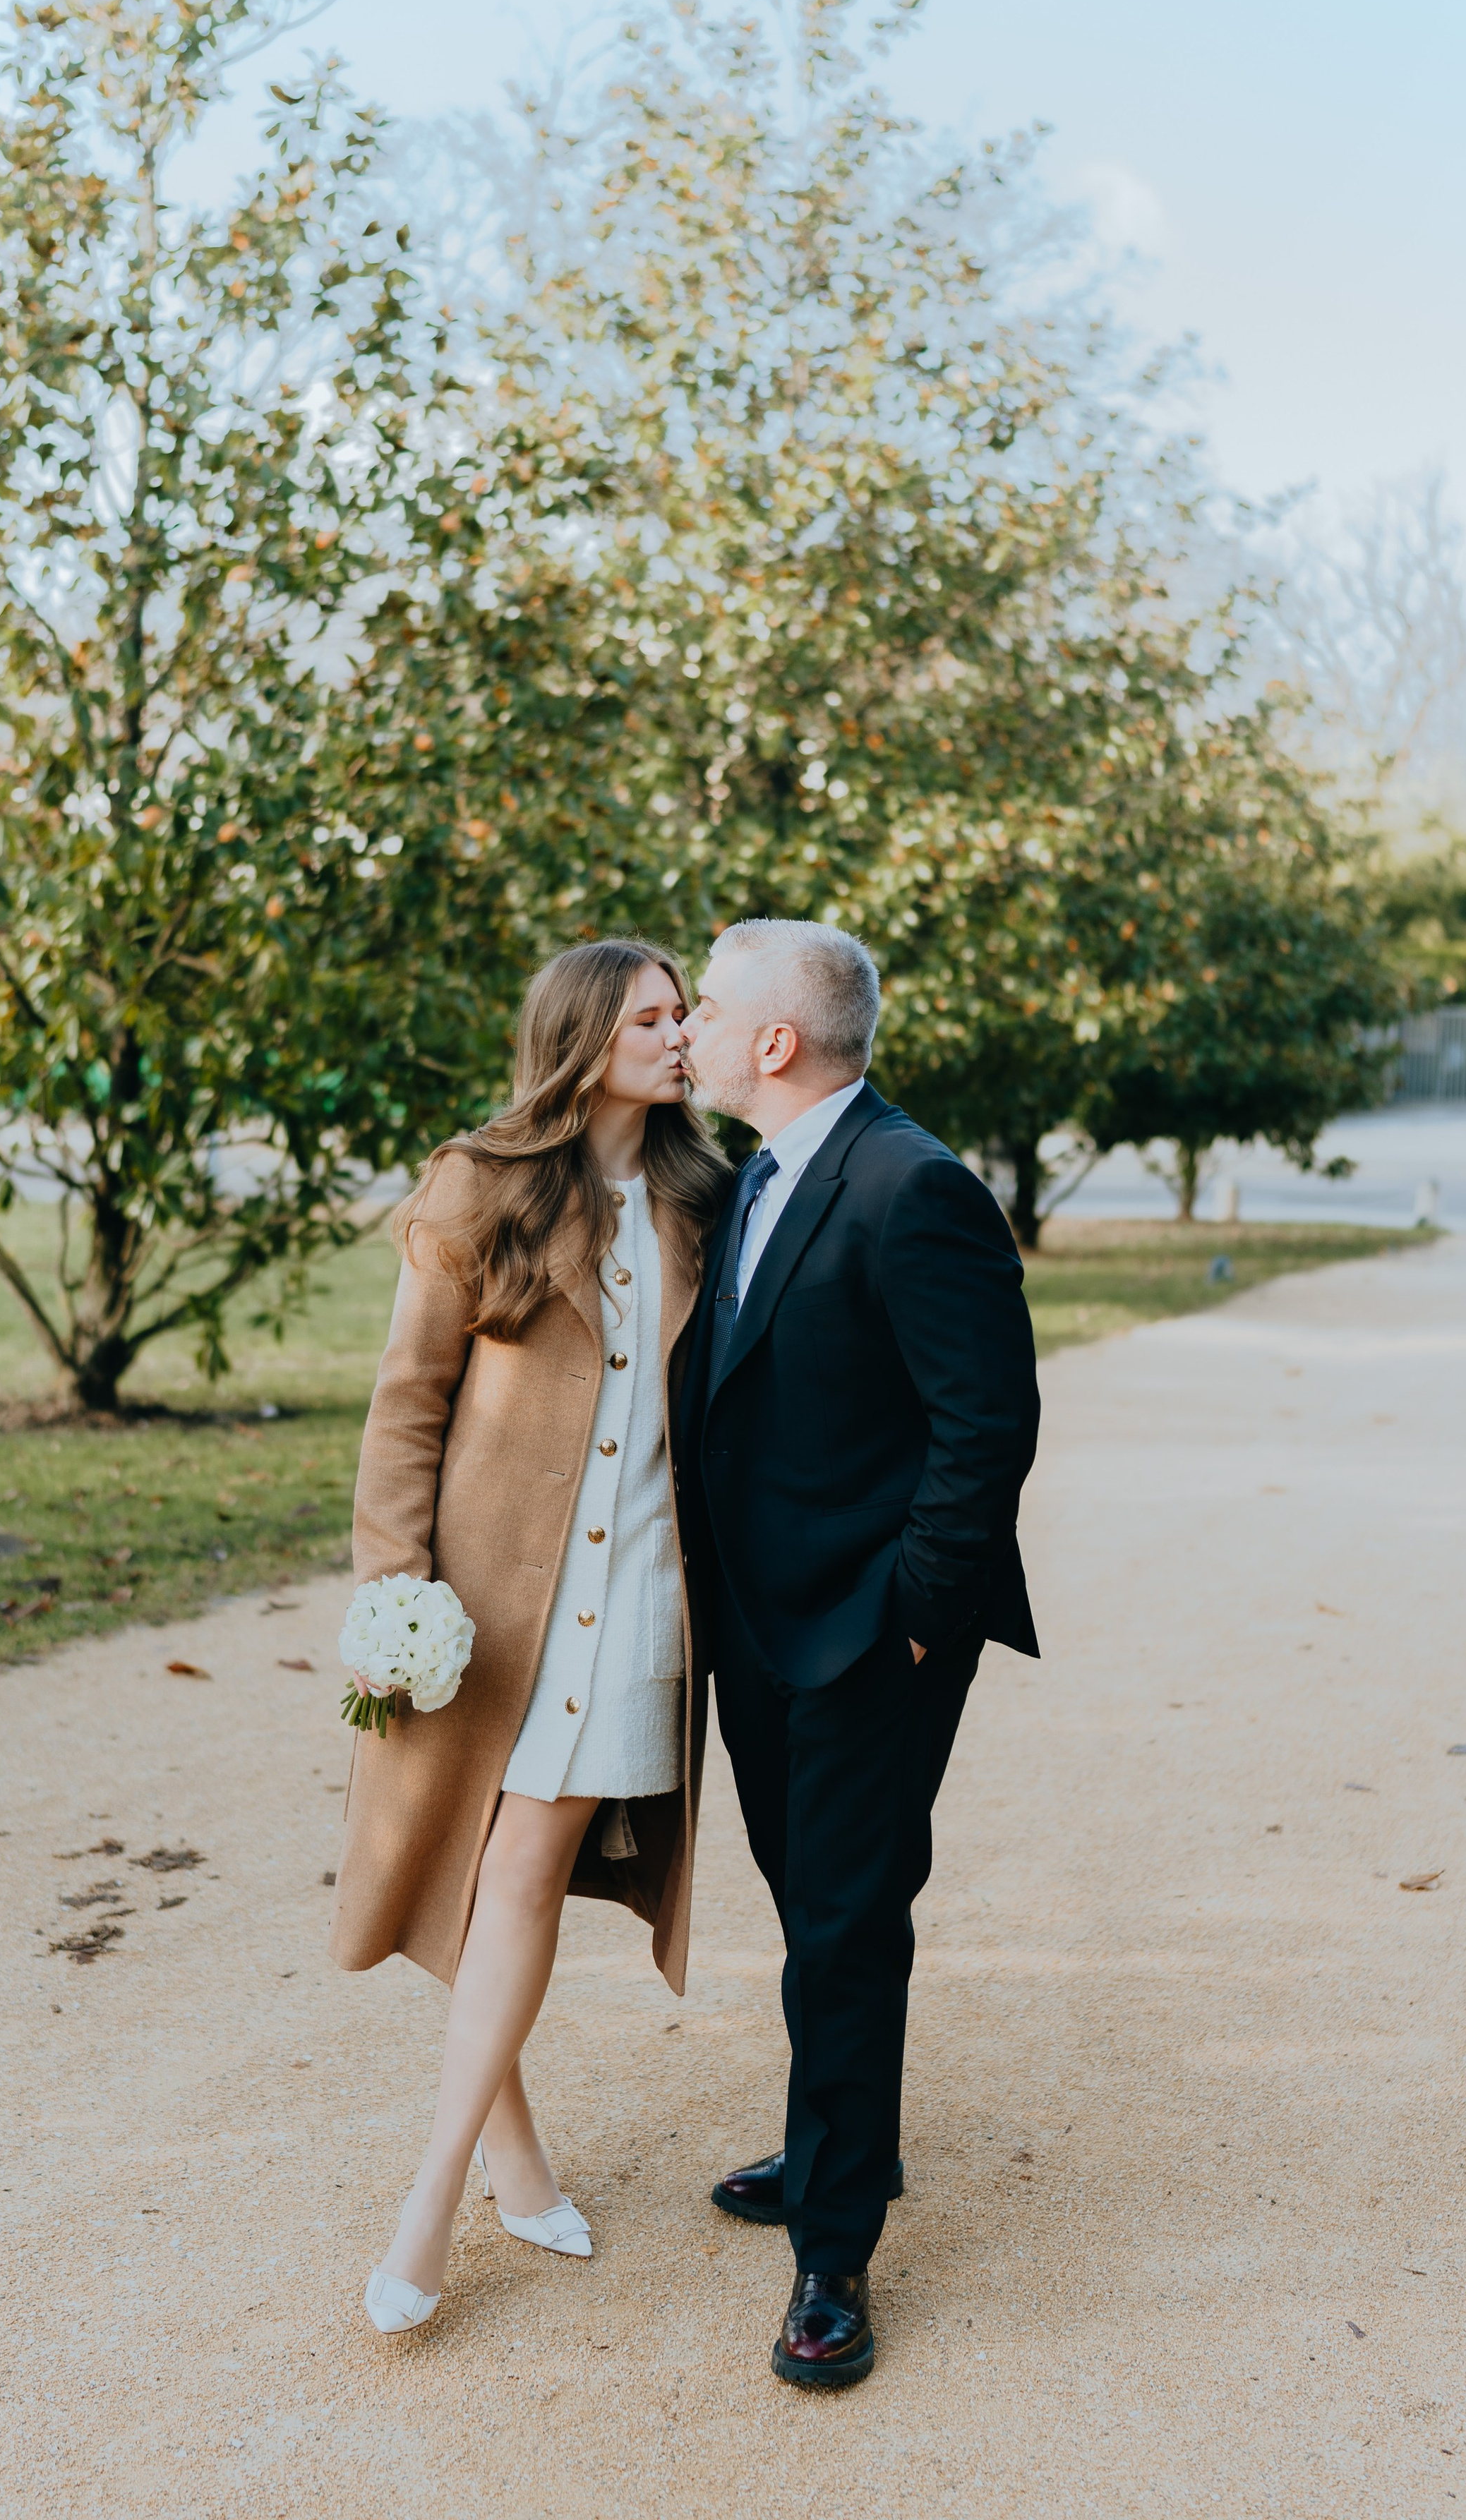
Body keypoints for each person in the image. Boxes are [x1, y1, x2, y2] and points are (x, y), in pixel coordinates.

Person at [330, 938, 731, 2337]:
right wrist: (392, 1585)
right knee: (466, 1872)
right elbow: (406, 1405)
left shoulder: (708, 1201)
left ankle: (428, 2203)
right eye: (653, 1015)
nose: (681, 1033)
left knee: (513, 1874)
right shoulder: (479, 1185)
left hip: (639, 1616)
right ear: (581, 1038)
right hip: (483, 1606)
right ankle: (510, 2155)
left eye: (685, 1013)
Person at [676, 919, 1040, 2389]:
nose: (688, 1027)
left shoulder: (913, 1186)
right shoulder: (746, 1181)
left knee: (843, 1920)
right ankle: (836, 2142)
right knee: (810, 1904)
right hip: (755, 1628)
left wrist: (910, 1622)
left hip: (863, 1639)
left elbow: (986, 1428)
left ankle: (832, 2249)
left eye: (705, 1007)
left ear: (775, 1042)